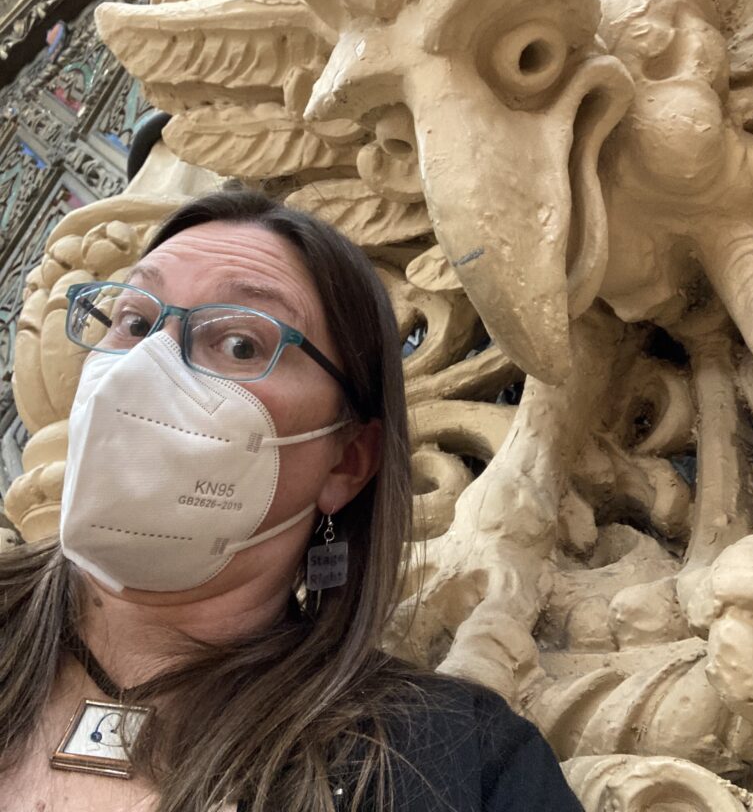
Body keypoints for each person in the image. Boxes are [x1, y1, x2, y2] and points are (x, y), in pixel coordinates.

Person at [0, 187, 583, 812]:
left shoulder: (453, 763)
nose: (144, 366)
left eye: (241, 343)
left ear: (347, 462)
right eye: (135, 321)